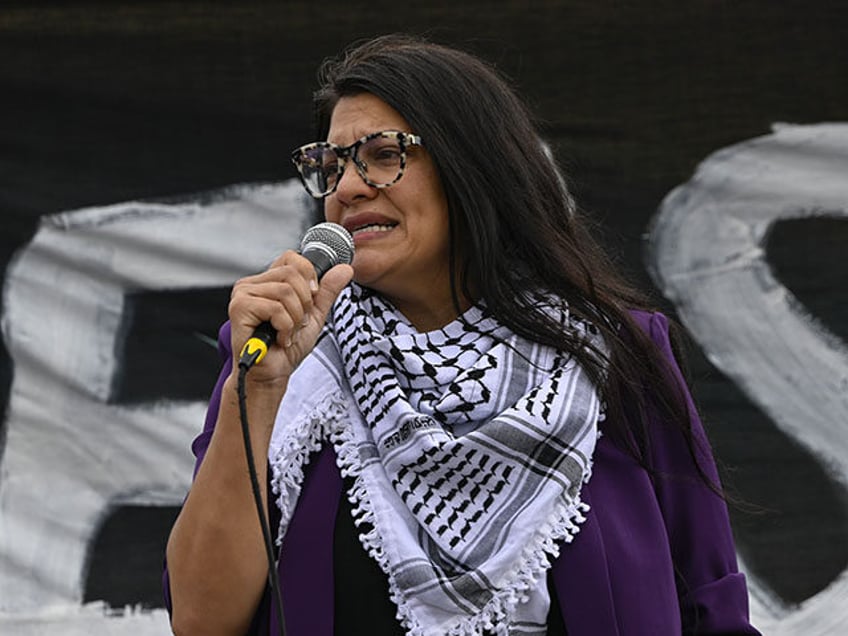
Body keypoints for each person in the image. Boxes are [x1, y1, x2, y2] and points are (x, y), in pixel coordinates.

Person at [164, 34, 760, 636]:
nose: (346, 187)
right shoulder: (281, 357)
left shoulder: (614, 354)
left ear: (473, 166)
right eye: (332, 163)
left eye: (382, 154)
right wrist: (257, 391)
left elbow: (711, 607)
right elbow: (200, 621)